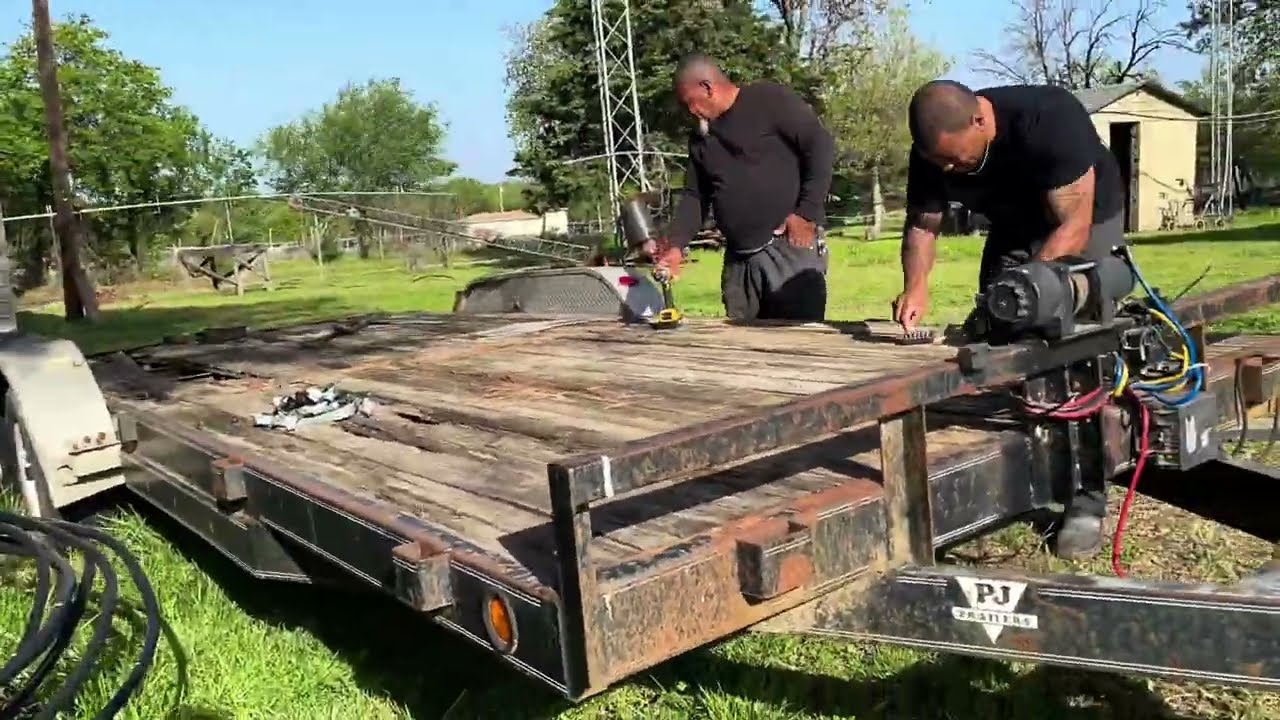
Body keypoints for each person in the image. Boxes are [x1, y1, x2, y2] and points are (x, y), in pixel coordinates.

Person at [894, 79, 1128, 560]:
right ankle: (1024, 464)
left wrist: (1029, 289)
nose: (952, 171)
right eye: (943, 164)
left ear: (981, 119)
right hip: (1014, 225)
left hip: (1083, 219)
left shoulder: (1049, 118)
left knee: (1067, 342)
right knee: (996, 332)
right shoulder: (933, 150)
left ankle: (1085, 501)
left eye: (958, 161)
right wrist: (916, 284)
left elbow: (1074, 224)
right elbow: (922, 223)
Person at [646, 53, 835, 321]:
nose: (690, 111)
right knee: (743, 351)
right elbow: (695, 196)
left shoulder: (767, 100)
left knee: (798, 342)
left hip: (788, 249)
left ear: (707, 87)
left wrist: (806, 213)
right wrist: (676, 244)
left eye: (690, 102)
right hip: (739, 262)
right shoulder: (701, 139)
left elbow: (820, 145)